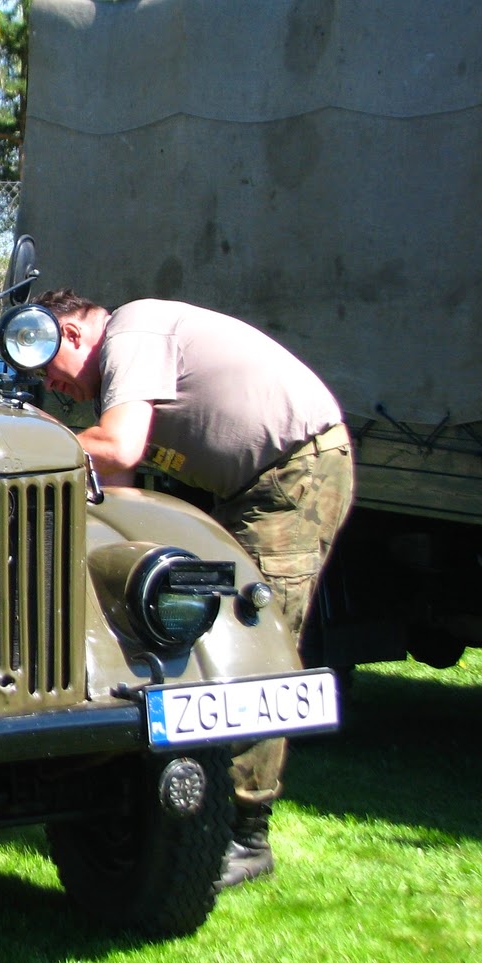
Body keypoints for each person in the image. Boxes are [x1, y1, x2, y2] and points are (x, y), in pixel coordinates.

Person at [33, 288, 354, 889]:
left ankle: (243, 831)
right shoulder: (120, 370)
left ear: (72, 335)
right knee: (198, 625)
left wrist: (32, 444)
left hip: (291, 476)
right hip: (250, 488)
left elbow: (121, 446)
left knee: (251, 639)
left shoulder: (132, 331)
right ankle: (178, 805)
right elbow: (120, 485)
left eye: (48, 367)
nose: (54, 386)